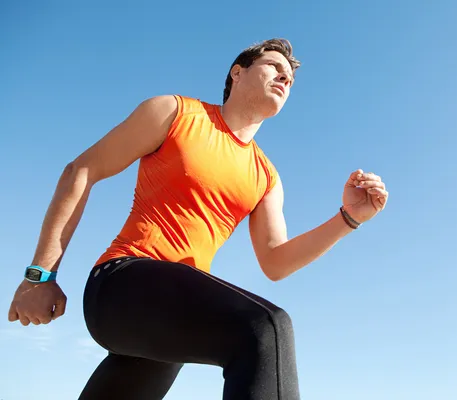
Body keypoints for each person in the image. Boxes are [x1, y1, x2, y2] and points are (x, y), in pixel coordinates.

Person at [7, 38, 389, 400]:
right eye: (273, 65)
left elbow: (276, 261)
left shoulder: (266, 176)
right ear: (237, 73)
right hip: (123, 284)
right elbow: (82, 170)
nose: (285, 77)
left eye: (289, 76)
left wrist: (348, 219)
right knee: (266, 329)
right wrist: (39, 276)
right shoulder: (175, 112)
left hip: (171, 319)